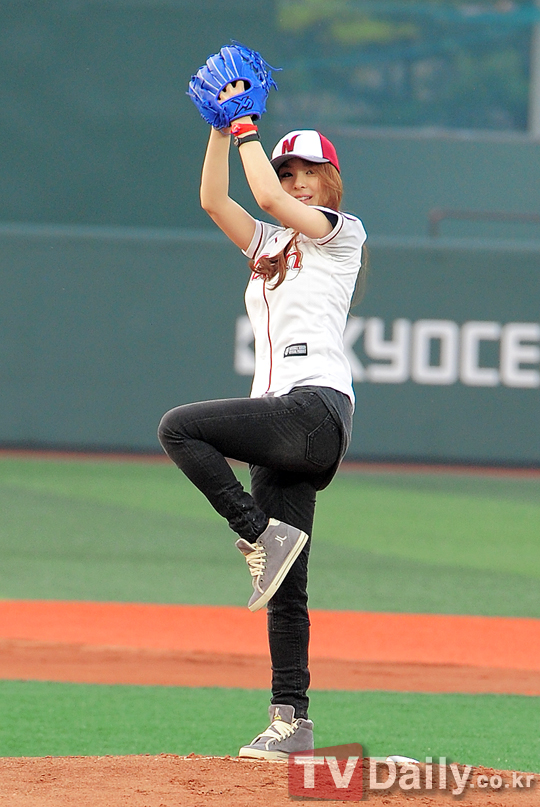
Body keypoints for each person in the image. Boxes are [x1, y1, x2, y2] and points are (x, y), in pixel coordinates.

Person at [158, 80, 367, 760]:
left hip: (315, 409)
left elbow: (269, 200)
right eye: (287, 170)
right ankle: (291, 720)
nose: (294, 181)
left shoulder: (341, 234)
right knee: (286, 586)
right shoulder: (268, 246)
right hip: (280, 424)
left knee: (180, 427)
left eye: (307, 171)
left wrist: (247, 122)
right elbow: (214, 200)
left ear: (330, 181)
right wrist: (220, 129)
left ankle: (255, 534)